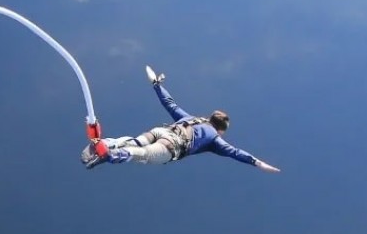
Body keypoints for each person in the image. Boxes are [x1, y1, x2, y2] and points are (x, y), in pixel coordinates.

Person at [81, 66, 281, 172]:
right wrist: (258, 163)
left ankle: (109, 145)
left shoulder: (191, 119)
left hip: (164, 131)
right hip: (172, 146)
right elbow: (235, 153)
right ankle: (112, 155)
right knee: (142, 153)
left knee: (135, 141)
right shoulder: (214, 139)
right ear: (221, 130)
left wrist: (156, 84)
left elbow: (169, 103)